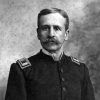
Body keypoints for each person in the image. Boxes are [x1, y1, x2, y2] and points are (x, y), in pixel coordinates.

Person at [5, 8, 95, 100]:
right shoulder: (22, 70)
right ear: (38, 33)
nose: (51, 34)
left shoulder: (80, 69)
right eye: (45, 28)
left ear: (66, 34)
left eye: (57, 28)